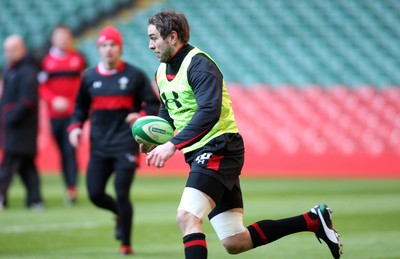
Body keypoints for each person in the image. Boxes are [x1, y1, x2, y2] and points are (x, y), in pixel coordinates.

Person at [145, 9, 342, 259]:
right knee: (235, 241)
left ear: (172, 37)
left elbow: (209, 111)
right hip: (202, 152)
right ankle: (313, 220)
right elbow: (168, 108)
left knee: (187, 217)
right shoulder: (161, 72)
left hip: (219, 147)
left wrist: (173, 144)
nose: (150, 45)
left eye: (154, 38)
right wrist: (157, 138)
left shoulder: (199, 65)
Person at [68, 26, 160, 255]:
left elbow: (153, 104)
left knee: (121, 191)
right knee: (95, 194)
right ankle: (119, 213)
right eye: (104, 45)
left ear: (121, 48)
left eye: (113, 45)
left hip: (124, 143)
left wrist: (140, 116)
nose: (109, 49)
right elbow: (80, 107)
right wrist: (75, 127)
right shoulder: (89, 77)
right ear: (99, 49)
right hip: (99, 145)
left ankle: (126, 244)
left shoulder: (135, 75)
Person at [39, 25, 86, 204]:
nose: (62, 40)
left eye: (65, 36)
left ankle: (72, 190)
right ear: (53, 39)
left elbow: (84, 84)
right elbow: (42, 86)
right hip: (54, 115)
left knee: (70, 150)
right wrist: (54, 100)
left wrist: (75, 103)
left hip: (73, 115)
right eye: (59, 36)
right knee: (62, 152)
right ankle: (68, 185)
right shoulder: (45, 61)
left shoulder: (78, 59)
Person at [0, 35, 44, 210]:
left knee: (9, 163)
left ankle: (1, 195)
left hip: (21, 128)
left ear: (21, 49)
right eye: (7, 50)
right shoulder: (12, 69)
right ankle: (35, 200)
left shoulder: (26, 71)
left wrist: (10, 117)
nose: (9, 54)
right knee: (26, 167)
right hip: (16, 127)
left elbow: (28, 100)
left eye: (13, 49)